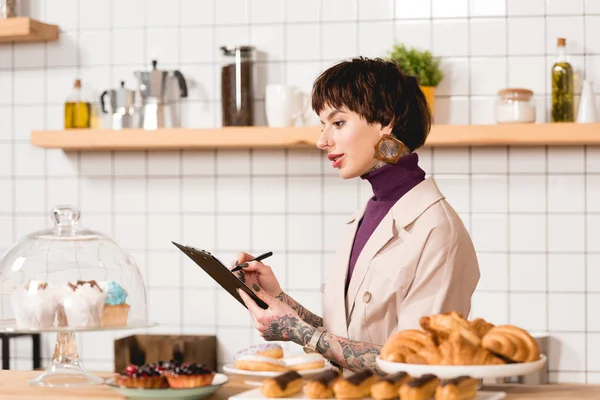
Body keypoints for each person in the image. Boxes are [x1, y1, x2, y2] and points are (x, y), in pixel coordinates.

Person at [233, 57, 480, 373]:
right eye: (322, 125)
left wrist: (295, 330)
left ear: (385, 121)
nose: (323, 140)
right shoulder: (364, 216)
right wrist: (279, 301)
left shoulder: (437, 230)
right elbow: (349, 337)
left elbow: (415, 361)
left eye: (337, 123)